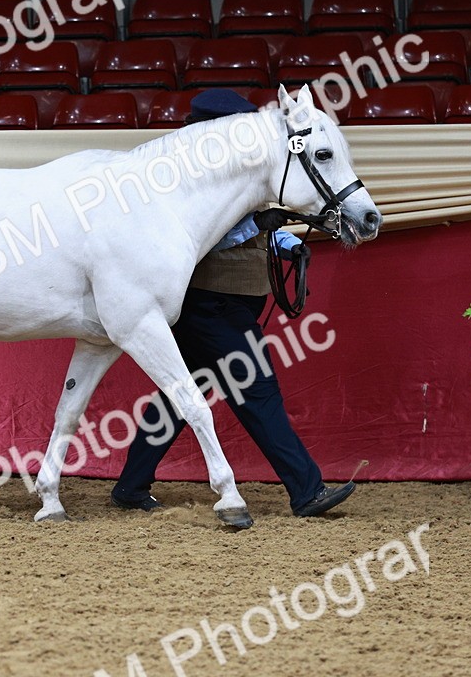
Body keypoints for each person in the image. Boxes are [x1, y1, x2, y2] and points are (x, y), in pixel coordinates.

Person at [110, 89, 355, 518]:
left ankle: (131, 486)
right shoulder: (189, 180)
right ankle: (306, 490)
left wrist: (280, 240)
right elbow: (205, 240)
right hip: (211, 301)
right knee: (257, 390)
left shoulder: (230, 176)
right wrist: (262, 222)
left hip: (222, 302)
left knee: (178, 394)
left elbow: (250, 229)